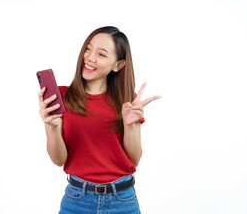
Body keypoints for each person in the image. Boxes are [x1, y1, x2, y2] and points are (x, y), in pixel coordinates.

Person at [38, 26, 161, 213]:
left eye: (101, 54)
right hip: (77, 200)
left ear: (118, 65)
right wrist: (51, 127)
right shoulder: (62, 97)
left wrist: (130, 125)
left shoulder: (128, 101)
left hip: (122, 200)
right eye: (88, 49)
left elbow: (134, 160)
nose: (89, 57)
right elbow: (58, 160)